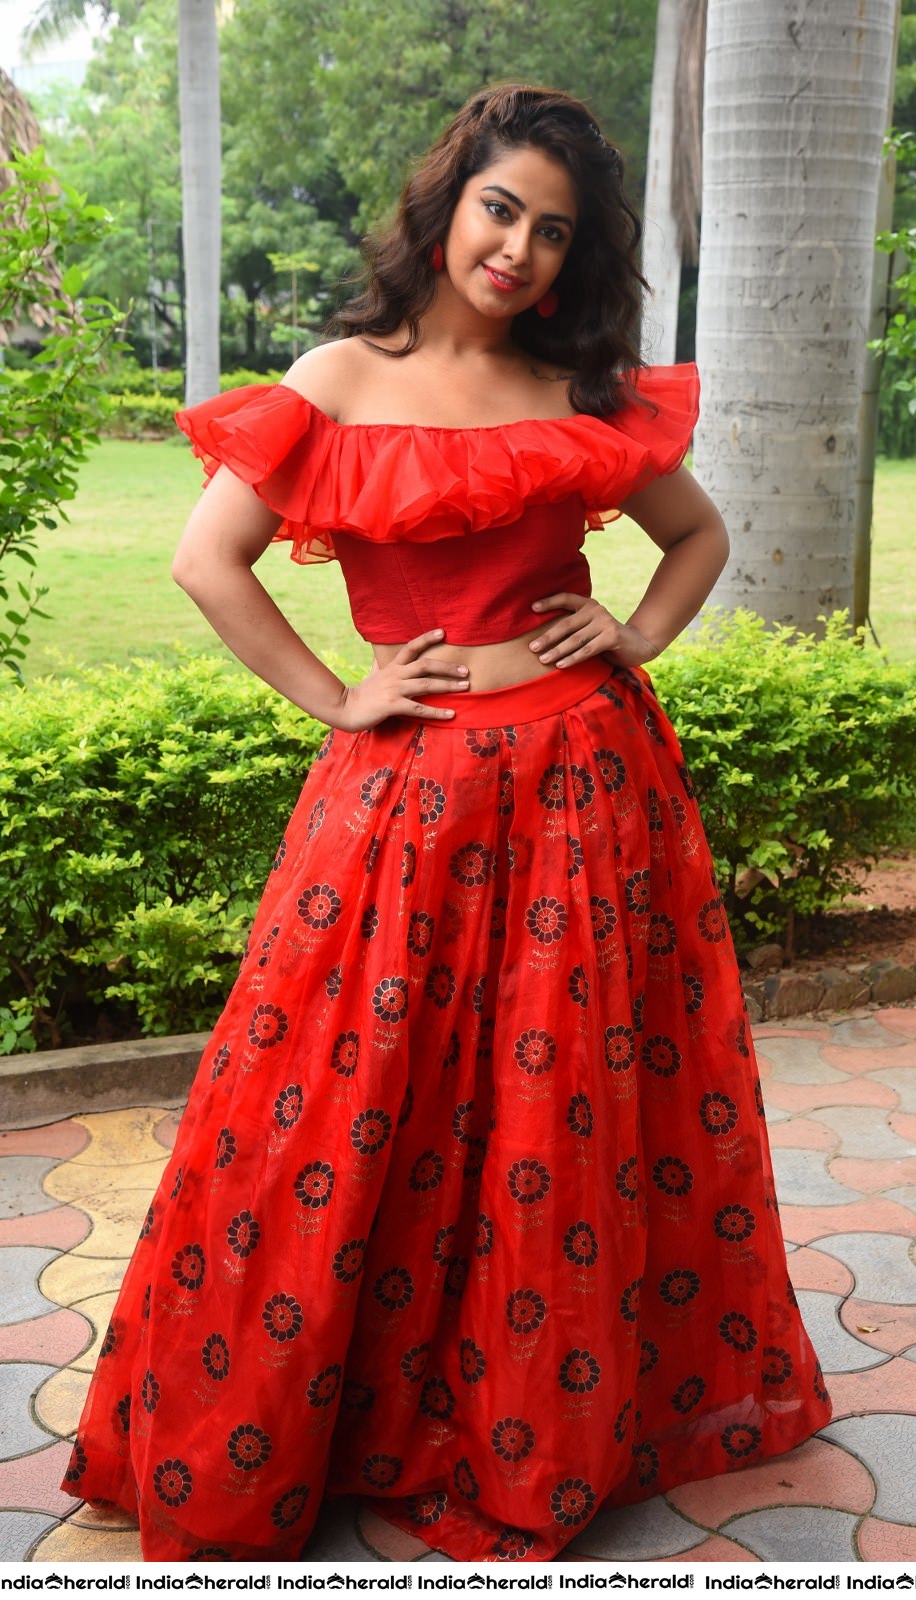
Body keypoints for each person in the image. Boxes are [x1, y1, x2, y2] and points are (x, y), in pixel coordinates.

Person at [60, 83, 831, 1564]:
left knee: (566, 1104)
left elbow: (698, 536)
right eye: (502, 210)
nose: (521, 249)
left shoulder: (580, 387)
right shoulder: (338, 379)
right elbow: (207, 561)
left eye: (554, 231)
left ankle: (540, 1405)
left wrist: (634, 638)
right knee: (343, 1104)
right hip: (406, 796)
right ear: (446, 206)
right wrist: (340, 695)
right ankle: (331, 1410)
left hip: (586, 793)